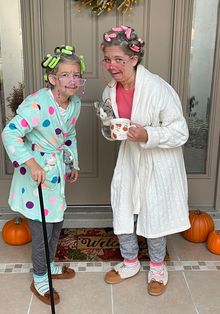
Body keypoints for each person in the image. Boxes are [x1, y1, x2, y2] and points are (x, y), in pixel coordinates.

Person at [99, 25, 190, 296]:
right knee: (123, 204)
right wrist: (109, 129)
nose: (111, 66)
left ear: (134, 59)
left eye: (118, 60)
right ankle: (130, 263)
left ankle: (158, 268)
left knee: (155, 210)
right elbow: (108, 122)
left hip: (158, 159)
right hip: (130, 157)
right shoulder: (109, 91)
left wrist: (148, 134)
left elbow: (180, 132)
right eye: (107, 59)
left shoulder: (159, 89)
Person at [1, 45, 86, 305]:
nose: (72, 80)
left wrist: (72, 163)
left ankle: (49, 266)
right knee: (41, 229)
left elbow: (68, 135)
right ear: (52, 79)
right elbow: (10, 133)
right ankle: (40, 278)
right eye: (65, 75)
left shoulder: (74, 105)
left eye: (77, 75)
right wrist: (31, 163)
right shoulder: (37, 104)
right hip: (36, 174)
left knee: (56, 222)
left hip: (56, 172)